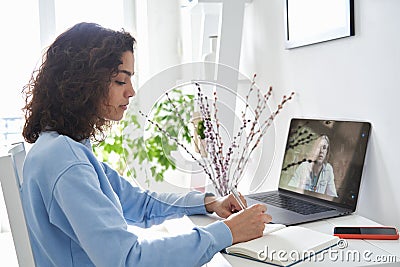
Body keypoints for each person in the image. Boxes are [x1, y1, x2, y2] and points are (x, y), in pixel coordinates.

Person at [21, 22, 271, 267]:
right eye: (121, 81)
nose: (131, 91)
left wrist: (208, 203)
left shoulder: (63, 148)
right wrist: (228, 231)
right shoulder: (67, 162)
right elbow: (129, 260)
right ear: (83, 83)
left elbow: (139, 204)